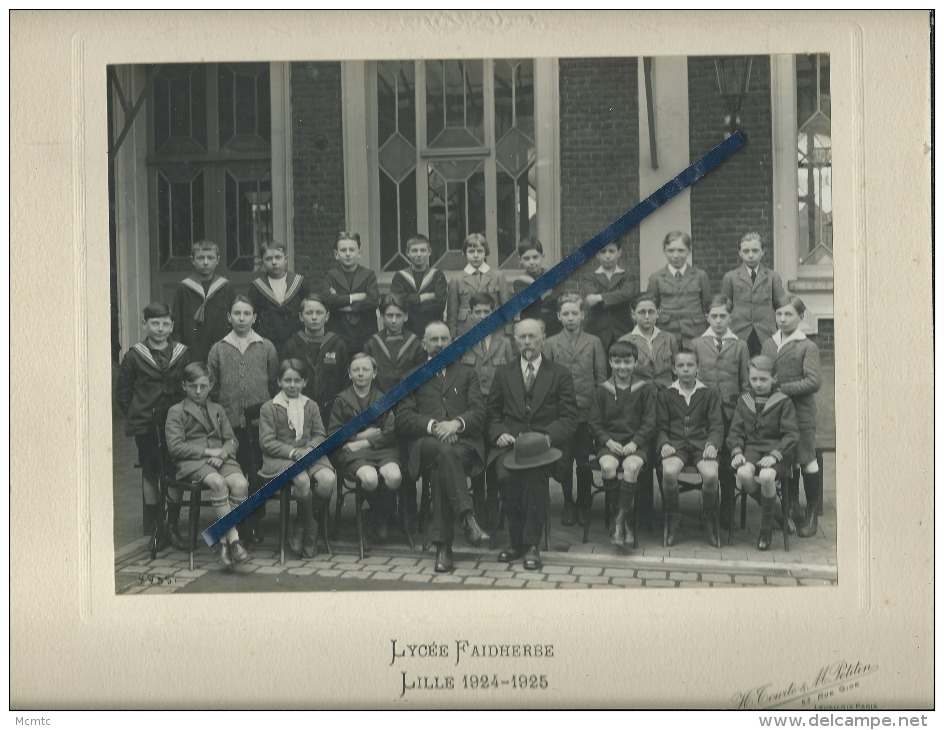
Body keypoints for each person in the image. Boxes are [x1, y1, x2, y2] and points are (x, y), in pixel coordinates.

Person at [396, 322, 491, 573]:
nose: (440, 344)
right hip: (427, 443)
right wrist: (436, 426)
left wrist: (456, 424)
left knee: (443, 467)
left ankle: (443, 548)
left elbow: (479, 412)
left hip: (463, 444)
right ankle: (467, 518)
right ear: (424, 344)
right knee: (443, 454)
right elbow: (404, 418)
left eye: (444, 339)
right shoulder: (411, 377)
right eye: (434, 339)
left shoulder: (468, 373)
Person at [487, 319, 578, 571]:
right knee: (506, 475)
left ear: (543, 337)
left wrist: (547, 437)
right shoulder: (503, 373)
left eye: (532, 337)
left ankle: (531, 545)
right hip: (510, 445)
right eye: (522, 337)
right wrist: (500, 433)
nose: (527, 342)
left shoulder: (560, 373)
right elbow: (492, 414)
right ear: (514, 340)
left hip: (545, 446)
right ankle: (515, 543)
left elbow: (570, 418)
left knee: (535, 475)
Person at [115, 302, 190, 553]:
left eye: (165, 324)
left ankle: (172, 525)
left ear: (172, 326)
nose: (160, 329)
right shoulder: (134, 355)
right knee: (151, 473)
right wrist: (140, 414)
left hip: (177, 425)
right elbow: (123, 394)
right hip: (147, 425)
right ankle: (157, 526)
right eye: (154, 323)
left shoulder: (181, 352)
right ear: (145, 324)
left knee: (176, 472)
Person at [206, 295, 278, 544]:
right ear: (229, 317)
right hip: (231, 424)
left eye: (247, 313)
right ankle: (236, 523)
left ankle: (254, 523)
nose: (241, 318)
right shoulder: (218, 348)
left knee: (255, 471)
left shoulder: (266, 347)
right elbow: (212, 386)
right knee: (236, 473)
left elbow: (272, 381)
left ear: (254, 317)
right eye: (236, 313)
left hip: (258, 424)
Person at [164, 363, 251, 568]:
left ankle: (222, 541)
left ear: (211, 385)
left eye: (203, 386)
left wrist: (223, 454)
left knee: (240, 484)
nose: (198, 391)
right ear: (184, 386)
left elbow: (231, 439)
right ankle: (234, 540)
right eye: (193, 386)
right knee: (218, 483)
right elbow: (175, 447)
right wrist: (209, 452)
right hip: (193, 462)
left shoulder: (217, 409)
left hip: (220, 459)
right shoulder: (176, 412)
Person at [258, 359, 337, 558]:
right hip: (281, 456)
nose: (292, 385)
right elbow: (267, 442)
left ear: (304, 382)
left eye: (297, 381)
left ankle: (302, 521)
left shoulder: (311, 406)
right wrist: (292, 453)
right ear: (279, 382)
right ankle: (311, 527)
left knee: (328, 479)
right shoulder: (270, 407)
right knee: (301, 479)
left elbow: (320, 434)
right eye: (287, 381)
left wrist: (310, 448)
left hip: (308, 453)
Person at [541, 294, 607, 526]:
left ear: (583, 316)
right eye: (566, 314)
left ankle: (584, 502)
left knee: (583, 459)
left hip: (587, 410)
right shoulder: (549, 343)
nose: (571, 318)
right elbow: (545, 380)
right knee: (565, 459)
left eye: (575, 314)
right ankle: (568, 502)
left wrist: (598, 410)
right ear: (559, 317)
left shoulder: (593, 342)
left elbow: (601, 378)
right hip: (562, 413)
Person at [760, 295, 822, 538]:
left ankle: (812, 512)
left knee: (806, 458)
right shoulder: (769, 344)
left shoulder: (807, 346)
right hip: (776, 411)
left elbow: (813, 381)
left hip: (800, 412)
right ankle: (792, 505)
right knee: (785, 456)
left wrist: (781, 388)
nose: (783, 319)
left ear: (801, 317)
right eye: (779, 314)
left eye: (789, 314)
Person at [587, 340, 657, 547]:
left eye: (627, 362)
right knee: (608, 466)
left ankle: (619, 520)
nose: (622, 367)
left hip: (637, 444)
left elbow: (650, 421)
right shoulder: (602, 390)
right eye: (617, 362)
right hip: (610, 444)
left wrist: (636, 442)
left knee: (631, 467)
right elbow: (594, 422)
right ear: (610, 363)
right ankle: (622, 520)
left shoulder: (644, 389)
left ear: (636, 363)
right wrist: (607, 441)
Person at [727, 355, 799, 550]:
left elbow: (791, 435)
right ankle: (774, 508)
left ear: (774, 378)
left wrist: (774, 455)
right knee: (743, 473)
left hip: (778, 450)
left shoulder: (783, 402)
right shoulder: (745, 401)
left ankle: (766, 526)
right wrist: (736, 451)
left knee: (767, 476)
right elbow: (736, 431)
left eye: (763, 379)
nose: (758, 384)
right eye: (754, 379)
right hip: (752, 448)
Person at [328, 353, 403, 543]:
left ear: (374, 373)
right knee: (369, 479)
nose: (361, 374)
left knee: (394, 477)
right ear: (349, 373)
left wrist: (363, 442)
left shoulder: (382, 398)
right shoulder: (341, 400)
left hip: (381, 449)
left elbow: (391, 431)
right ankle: (380, 517)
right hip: (351, 453)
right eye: (356, 370)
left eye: (365, 369)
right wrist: (359, 436)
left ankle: (376, 514)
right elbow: (334, 434)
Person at [691, 294, 750, 529]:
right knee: (709, 458)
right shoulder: (697, 344)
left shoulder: (740, 345)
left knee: (728, 462)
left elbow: (745, 383)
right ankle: (709, 509)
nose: (718, 321)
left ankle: (727, 512)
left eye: (722, 316)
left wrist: (743, 411)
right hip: (704, 412)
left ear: (730, 317)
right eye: (713, 316)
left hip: (731, 411)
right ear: (707, 317)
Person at [656, 348, 725, 547]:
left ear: (697, 368)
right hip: (675, 445)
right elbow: (660, 426)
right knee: (669, 471)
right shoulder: (666, 394)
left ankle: (709, 515)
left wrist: (712, 444)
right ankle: (673, 515)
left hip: (702, 445)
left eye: (690, 365)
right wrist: (664, 444)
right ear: (673, 369)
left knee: (711, 474)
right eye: (680, 366)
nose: (685, 369)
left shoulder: (708, 393)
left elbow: (717, 425)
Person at [458, 292, 515, 527]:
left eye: (487, 312)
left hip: (496, 412)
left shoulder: (505, 344)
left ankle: (495, 508)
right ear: (470, 314)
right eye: (478, 312)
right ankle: (478, 507)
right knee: (476, 458)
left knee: (493, 457)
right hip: (472, 410)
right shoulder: (462, 343)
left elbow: (511, 379)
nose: (482, 316)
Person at [280, 294, 349, 424]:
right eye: (309, 313)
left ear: (327, 316)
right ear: (300, 316)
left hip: (332, 413)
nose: (314, 317)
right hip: (298, 412)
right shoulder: (291, 345)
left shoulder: (338, 345)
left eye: (319, 312)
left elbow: (345, 383)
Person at [720, 231, 787, 356]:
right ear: (740, 253)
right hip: (739, 333)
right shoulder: (730, 277)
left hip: (766, 333)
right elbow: (724, 309)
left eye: (755, 251)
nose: (750, 255)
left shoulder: (772, 277)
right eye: (746, 251)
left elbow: (782, 306)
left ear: (763, 251)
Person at [171, 240, 235, 366]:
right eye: (200, 258)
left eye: (210, 258)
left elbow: (234, 320)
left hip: (221, 347)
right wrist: (180, 352)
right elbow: (176, 323)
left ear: (217, 260)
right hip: (191, 349)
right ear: (193, 260)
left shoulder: (226, 287)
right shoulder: (183, 288)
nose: (205, 262)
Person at [647, 231, 712, 348]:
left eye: (681, 250)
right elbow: (651, 309)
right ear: (664, 251)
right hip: (666, 333)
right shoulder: (656, 278)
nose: (676, 255)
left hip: (695, 333)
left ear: (689, 251)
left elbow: (708, 307)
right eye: (671, 251)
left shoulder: (700, 275)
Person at [246, 241, 309, 353]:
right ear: (262, 261)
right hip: (268, 342)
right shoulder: (257, 286)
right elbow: (251, 316)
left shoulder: (299, 282)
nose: (274, 262)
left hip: (296, 340)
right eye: (268, 259)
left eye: (278, 257)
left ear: (286, 259)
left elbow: (308, 310)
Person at [323, 231, 380, 355]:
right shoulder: (331, 276)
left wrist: (341, 304)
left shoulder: (369, 275)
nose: (348, 254)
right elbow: (327, 300)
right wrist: (354, 297)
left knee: (364, 369)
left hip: (364, 334)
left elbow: (373, 301)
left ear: (359, 252)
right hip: (337, 333)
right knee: (334, 368)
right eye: (343, 250)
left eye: (352, 249)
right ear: (336, 254)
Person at [446, 232, 509, 338]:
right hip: (466, 330)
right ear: (464, 253)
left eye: (479, 251)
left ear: (486, 252)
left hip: (494, 330)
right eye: (471, 251)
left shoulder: (498, 276)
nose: (475, 255)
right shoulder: (457, 279)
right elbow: (452, 314)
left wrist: (508, 334)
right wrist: (452, 337)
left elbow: (507, 309)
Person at [580, 240, 637, 353]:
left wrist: (599, 298)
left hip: (622, 329)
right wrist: (616, 298)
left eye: (611, 251)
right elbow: (592, 299)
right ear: (597, 254)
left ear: (619, 253)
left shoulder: (627, 276)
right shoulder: (590, 277)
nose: (607, 256)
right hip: (597, 331)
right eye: (603, 251)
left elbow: (627, 294)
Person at [363, 294, 425, 394]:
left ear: (406, 316)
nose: (394, 321)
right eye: (390, 315)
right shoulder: (371, 344)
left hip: (408, 399)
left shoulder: (415, 344)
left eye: (398, 315)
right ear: (382, 316)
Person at [389, 234, 448, 338]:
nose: (419, 254)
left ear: (429, 251)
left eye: (423, 250)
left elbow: (440, 304)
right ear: (407, 252)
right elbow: (398, 302)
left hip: (433, 329)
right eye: (414, 250)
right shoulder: (400, 277)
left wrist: (411, 304)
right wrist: (423, 297)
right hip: (407, 329)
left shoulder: (437, 275)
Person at [619, 291, 678, 389]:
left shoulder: (669, 338)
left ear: (658, 313)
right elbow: (620, 375)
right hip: (638, 395)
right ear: (633, 315)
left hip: (666, 394)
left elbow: (676, 372)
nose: (647, 317)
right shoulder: (625, 341)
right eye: (642, 312)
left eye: (651, 312)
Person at [511, 236, 565, 338]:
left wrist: (532, 284)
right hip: (529, 324)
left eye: (535, 257)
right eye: (526, 258)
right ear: (520, 260)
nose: (531, 262)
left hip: (552, 324)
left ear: (542, 256)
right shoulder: (520, 281)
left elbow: (554, 300)